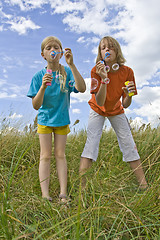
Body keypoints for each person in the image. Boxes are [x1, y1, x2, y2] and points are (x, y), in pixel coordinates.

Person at [79, 36, 148, 190]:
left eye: (110, 47)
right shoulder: (95, 71)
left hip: (117, 110)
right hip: (97, 109)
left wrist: (128, 95)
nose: (107, 50)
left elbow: (126, 104)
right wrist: (104, 78)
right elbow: (100, 101)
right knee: (91, 145)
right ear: (100, 53)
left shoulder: (127, 72)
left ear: (117, 50)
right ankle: (81, 191)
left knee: (129, 144)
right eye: (103, 48)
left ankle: (144, 187)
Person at [27, 36, 86, 203]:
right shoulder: (38, 76)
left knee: (60, 155)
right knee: (45, 156)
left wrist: (72, 64)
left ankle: (63, 194)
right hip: (45, 120)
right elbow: (36, 105)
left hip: (62, 120)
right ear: (43, 54)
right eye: (48, 47)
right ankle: (45, 195)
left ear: (61, 53)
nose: (52, 49)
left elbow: (81, 88)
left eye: (56, 47)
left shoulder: (66, 72)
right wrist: (43, 87)